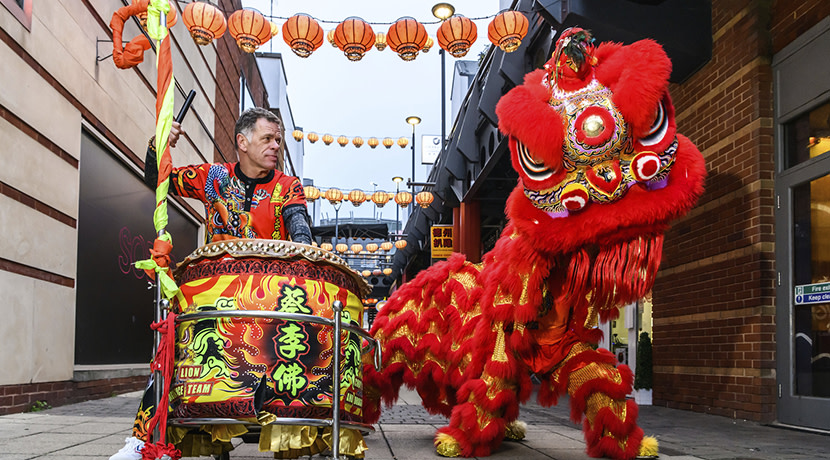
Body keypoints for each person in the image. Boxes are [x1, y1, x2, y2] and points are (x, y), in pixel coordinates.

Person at [111, 107, 312, 460]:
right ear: (242, 141)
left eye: (278, 140)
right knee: (171, 355)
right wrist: (158, 144)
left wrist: (306, 250)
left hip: (271, 303)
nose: (275, 146)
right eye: (267, 138)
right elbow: (156, 178)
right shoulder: (213, 176)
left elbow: (300, 227)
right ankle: (142, 441)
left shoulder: (286, 186)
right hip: (216, 299)